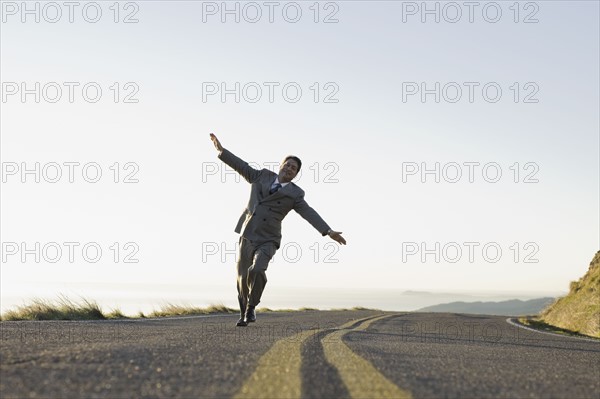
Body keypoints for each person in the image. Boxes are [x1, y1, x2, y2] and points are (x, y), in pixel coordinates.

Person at [209, 133, 347, 326]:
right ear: (281, 165)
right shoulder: (262, 176)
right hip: (248, 233)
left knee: (257, 269)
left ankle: (252, 306)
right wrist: (222, 152)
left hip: (268, 239)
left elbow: (308, 212)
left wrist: (328, 231)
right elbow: (242, 166)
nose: (290, 169)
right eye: (288, 165)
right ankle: (243, 314)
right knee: (241, 277)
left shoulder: (295, 194)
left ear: (295, 174)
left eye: (294, 168)